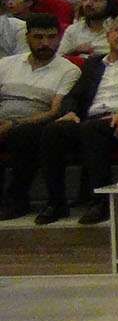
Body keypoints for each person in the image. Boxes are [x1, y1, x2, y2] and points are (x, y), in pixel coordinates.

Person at [36, 16, 118, 225]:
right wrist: (69, 111)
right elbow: (73, 96)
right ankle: (56, 202)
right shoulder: (93, 64)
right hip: (89, 119)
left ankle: (100, 202)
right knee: (53, 130)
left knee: (92, 129)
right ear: (108, 35)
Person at [0, 15, 81, 220]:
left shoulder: (69, 69)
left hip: (37, 122)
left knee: (23, 134)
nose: (45, 43)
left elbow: (54, 111)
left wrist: (14, 123)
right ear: (27, 37)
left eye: (51, 37)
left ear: (59, 38)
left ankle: (17, 200)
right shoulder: (6, 64)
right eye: (38, 37)